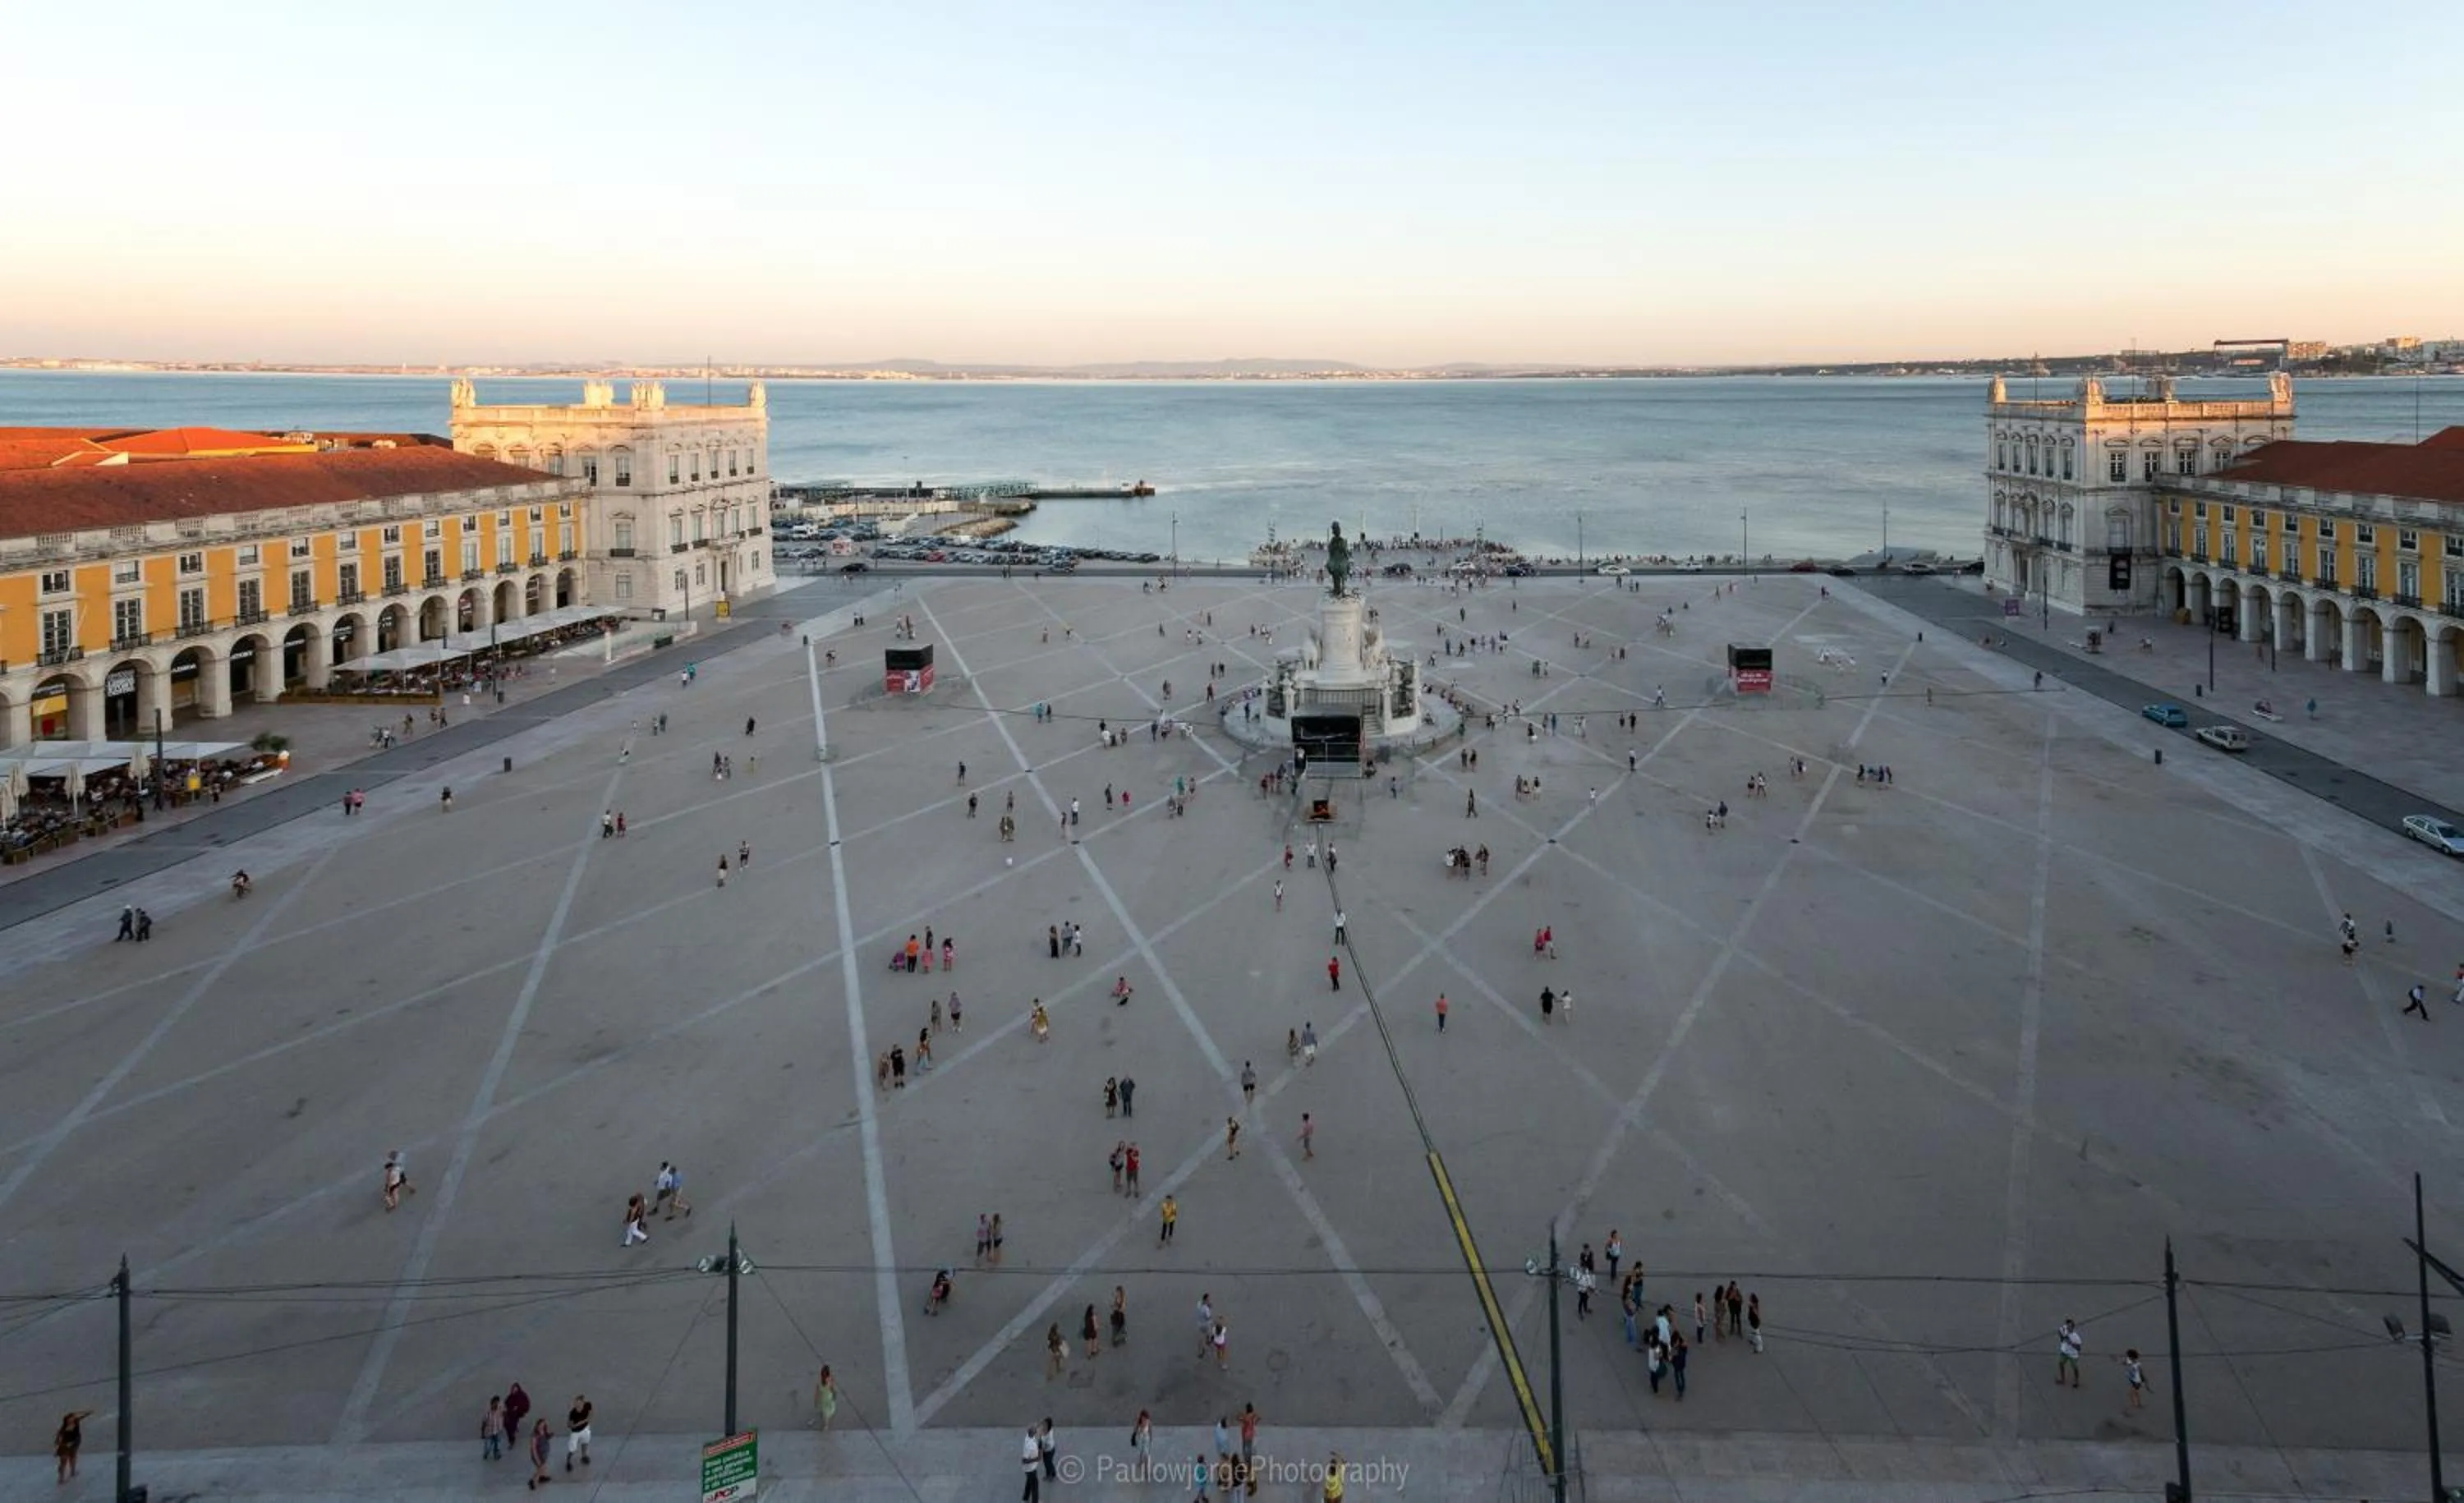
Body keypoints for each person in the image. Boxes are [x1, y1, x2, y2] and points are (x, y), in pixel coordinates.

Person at [55, 1410, 93, 1483]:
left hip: (74, 1444)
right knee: (63, 1462)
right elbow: (59, 1437)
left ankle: (73, 1472)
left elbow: (82, 1416)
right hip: (65, 1445)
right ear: (66, 1420)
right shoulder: (64, 1428)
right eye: (70, 1419)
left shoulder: (76, 1422)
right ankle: (61, 1478)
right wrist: (59, 1442)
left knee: (73, 1458)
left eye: (73, 1418)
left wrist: (87, 1413)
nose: (72, 1420)